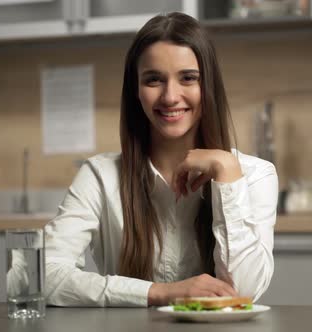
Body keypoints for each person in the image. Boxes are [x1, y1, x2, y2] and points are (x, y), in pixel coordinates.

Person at [43, 12, 278, 307]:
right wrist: (160, 292)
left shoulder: (255, 175)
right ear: (136, 91)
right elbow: (40, 276)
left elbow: (243, 293)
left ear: (209, 87)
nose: (170, 96)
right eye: (153, 79)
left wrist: (227, 173)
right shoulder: (100, 176)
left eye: (188, 78)